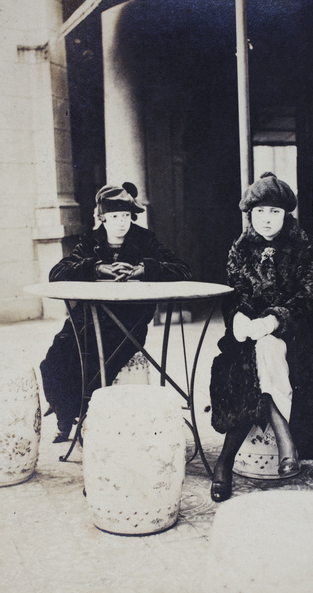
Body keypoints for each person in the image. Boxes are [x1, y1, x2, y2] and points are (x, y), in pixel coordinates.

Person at [209, 172, 313, 502]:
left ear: (286, 214)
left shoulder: (307, 247)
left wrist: (276, 319)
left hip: (297, 335)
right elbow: (236, 293)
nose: (266, 219)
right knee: (260, 350)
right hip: (249, 335)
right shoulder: (240, 248)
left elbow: (311, 297)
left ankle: (224, 463)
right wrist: (241, 316)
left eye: (274, 212)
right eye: (260, 212)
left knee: (266, 349)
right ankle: (283, 439)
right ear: (249, 214)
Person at [40, 182, 192, 442]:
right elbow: (57, 273)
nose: (121, 223)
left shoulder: (145, 240)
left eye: (125, 216)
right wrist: (96, 269)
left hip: (129, 321)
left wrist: (145, 269)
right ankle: (65, 416)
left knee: (99, 363)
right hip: (88, 317)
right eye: (114, 217)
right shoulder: (91, 243)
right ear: (102, 219)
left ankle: (89, 420)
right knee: (54, 357)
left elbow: (183, 270)